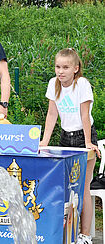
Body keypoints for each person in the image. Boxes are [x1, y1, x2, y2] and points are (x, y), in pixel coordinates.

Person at [40, 48, 100, 244]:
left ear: (75, 68)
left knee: (83, 187)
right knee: (67, 187)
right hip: (65, 137)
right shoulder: (53, 84)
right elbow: (52, 115)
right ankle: (69, 233)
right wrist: (45, 141)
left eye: (65, 67)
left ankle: (86, 235)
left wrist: (89, 142)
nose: (61, 71)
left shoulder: (82, 84)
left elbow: (85, 115)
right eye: (58, 67)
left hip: (83, 136)